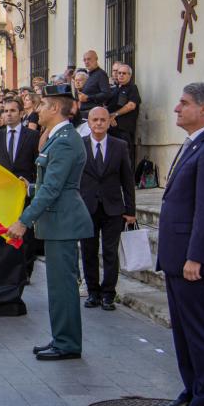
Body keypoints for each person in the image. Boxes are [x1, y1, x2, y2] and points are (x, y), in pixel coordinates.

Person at [154, 83, 204, 406]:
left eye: (183, 103)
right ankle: (191, 391)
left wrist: (196, 256)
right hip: (176, 255)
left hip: (192, 259)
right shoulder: (193, 144)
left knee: (200, 333)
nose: (176, 108)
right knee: (183, 332)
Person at [5, 84, 93, 361]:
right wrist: (29, 188)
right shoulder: (59, 137)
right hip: (58, 221)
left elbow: (54, 189)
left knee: (63, 286)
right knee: (57, 286)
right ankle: (61, 338)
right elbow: (50, 184)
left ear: (55, 108)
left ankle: (67, 343)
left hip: (63, 222)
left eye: (42, 105)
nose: (37, 110)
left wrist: (23, 221)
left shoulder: (65, 140)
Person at [79, 107, 136, 311]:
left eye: (103, 119)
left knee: (110, 251)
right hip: (87, 208)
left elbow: (127, 179)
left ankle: (108, 294)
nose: (99, 123)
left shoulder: (119, 146)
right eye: (95, 119)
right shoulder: (80, 145)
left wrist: (131, 210)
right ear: (89, 122)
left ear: (109, 121)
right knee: (88, 251)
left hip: (113, 208)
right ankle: (93, 292)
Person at [0, 98, 40, 281]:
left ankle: (26, 271)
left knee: (26, 233)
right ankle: (9, 269)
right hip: (5, 195)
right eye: (6, 111)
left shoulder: (32, 136)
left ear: (20, 113)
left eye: (12, 110)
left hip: (25, 194)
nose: (8, 114)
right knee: (7, 231)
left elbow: (38, 166)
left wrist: (31, 183)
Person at [106, 63, 141, 171]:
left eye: (124, 73)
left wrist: (115, 114)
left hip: (124, 129)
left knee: (125, 158)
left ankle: (127, 183)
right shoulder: (115, 89)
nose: (120, 75)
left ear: (130, 75)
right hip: (111, 129)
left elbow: (131, 106)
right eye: (119, 73)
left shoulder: (132, 88)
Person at [77, 50, 110, 117]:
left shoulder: (101, 74)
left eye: (89, 59)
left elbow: (106, 94)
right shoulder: (89, 75)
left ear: (96, 59)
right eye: (84, 60)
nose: (86, 62)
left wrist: (88, 97)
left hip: (93, 113)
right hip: (85, 113)